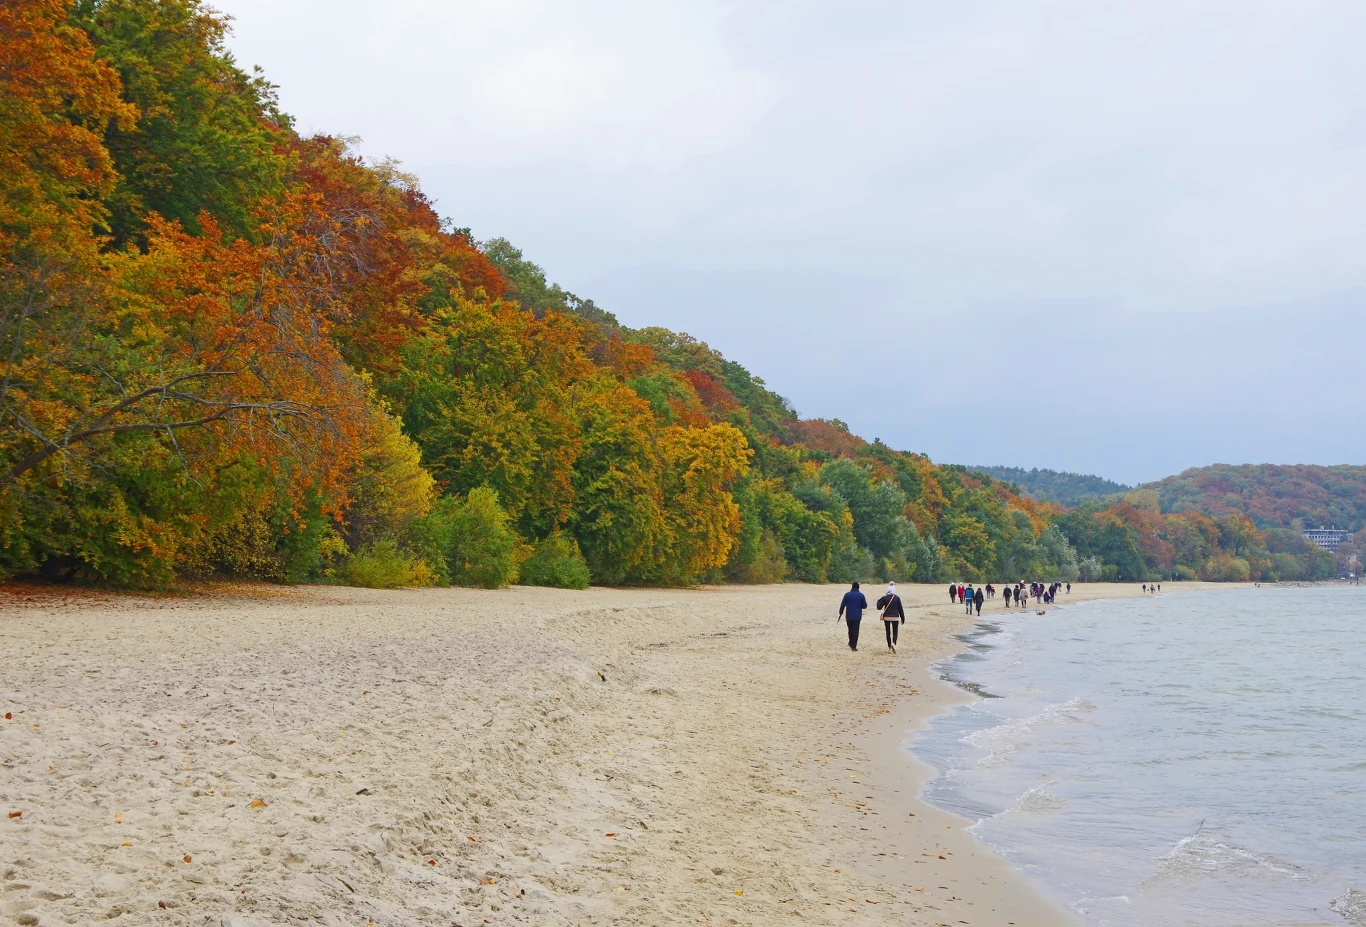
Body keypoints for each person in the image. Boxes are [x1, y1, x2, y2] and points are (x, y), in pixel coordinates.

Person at [876, 582, 906, 653]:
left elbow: (879, 607)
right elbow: (900, 609)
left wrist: (878, 601)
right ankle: (894, 643)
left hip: (886, 617)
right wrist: (903, 618)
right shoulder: (897, 598)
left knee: (888, 632)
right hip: (895, 617)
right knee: (895, 631)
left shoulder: (884, 598)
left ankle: (889, 646)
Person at [838, 582, 868, 651]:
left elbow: (842, 605)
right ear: (858, 587)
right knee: (855, 631)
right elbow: (864, 606)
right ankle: (854, 646)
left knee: (850, 629)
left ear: (852, 587)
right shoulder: (861, 595)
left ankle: (851, 642)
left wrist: (841, 612)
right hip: (857, 616)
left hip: (849, 615)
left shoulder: (847, 595)